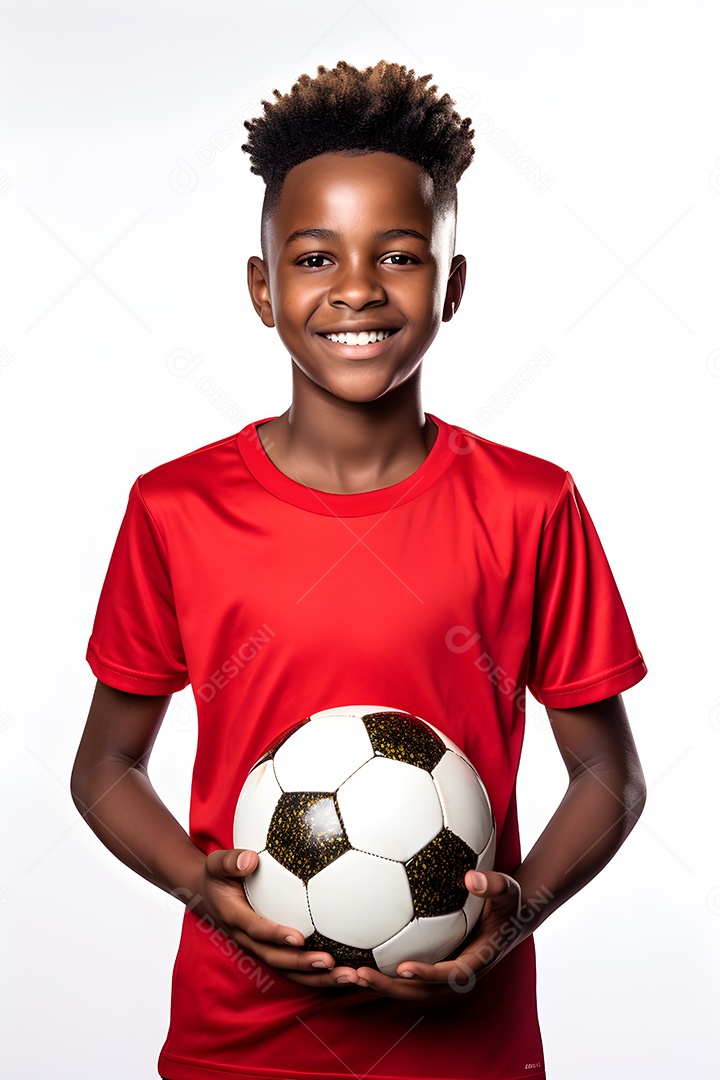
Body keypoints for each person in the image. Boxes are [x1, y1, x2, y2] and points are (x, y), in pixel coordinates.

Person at [71, 59, 648, 1080]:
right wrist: (202, 891)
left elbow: (609, 776)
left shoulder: (530, 506)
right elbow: (105, 769)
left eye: (399, 255)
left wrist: (512, 924)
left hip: (469, 1054)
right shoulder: (177, 510)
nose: (355, 289)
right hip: (236, 1049)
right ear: (262, 289)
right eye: (311, 257)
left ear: (451, 285)